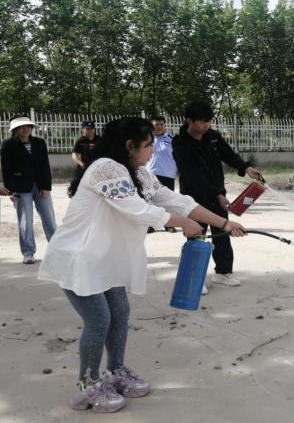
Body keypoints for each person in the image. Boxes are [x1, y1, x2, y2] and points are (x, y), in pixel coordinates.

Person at [38, 117, 246, 413]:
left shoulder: (139, 173)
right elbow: (138, 210)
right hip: (78, 258)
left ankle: (116, 371)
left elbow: (178, 201)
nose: (152, 151)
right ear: (129, 145)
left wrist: (224, 223)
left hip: (105, 259)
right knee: (99, 320)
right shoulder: (105, 168)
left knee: (120, 312)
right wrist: (183, 223)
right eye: (148, 145)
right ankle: (88, 385)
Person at [172, 102, 262, 293]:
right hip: (194, 198)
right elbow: (194, 174)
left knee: (222, 233)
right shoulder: (180, 143)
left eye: (209, 121)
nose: (207, 125)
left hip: (217, 194)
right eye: (202, 122)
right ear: (189, 121)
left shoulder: (212, 136)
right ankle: (193, 278)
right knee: (196, 235)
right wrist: (217, 194)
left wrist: (245, 167)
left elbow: (228, 154)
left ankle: (223, 272)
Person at [0, 115, 57, 264]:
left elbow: (45, 166)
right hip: (20, 187)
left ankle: (57, 249)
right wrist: (11, 191)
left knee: (49, 218)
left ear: (31, 128)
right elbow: (6, 170)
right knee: (25, 221)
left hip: (40, 186)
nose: (25, 130)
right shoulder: (8, 145)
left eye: (27, 127)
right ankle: (28, 252)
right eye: (21, 127)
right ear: (15, 130)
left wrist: (46, 186)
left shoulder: (39, 143)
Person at [145, 115, 177, 233]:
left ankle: (169, 224)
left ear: (165, 125)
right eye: (156, 125)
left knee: (167, 201)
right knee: (150, 200)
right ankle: (151, 224)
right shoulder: (147, 140)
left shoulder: (172, 140)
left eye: (161, 124)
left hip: (167, 174)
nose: (159, 127)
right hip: (150, 174)